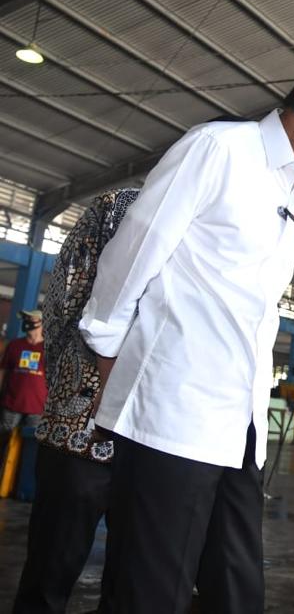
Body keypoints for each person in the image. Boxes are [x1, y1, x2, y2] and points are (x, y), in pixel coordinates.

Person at [78, 43, 294, 614]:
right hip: (171, 417)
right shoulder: (218, 151)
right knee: (150, 592)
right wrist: (107, 356)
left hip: (239, 429)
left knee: (236, 592)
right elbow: (132, 255)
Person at [13, 188, 139, 613]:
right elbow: (65, 301)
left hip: (155, 440)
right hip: (80, 429)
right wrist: (77, 378)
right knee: (51, 569)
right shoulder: (117, 207)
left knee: (135, 583)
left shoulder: (213, 224)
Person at [0, 310, 47, 462]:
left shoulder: (48, 348)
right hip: (11, 404)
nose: (27, 321)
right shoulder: (14, 345)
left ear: (41, 321)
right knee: (3, 443)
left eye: (30, 318)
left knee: (29, 449)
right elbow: (3, 371)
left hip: (37, 408)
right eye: (25, 319)